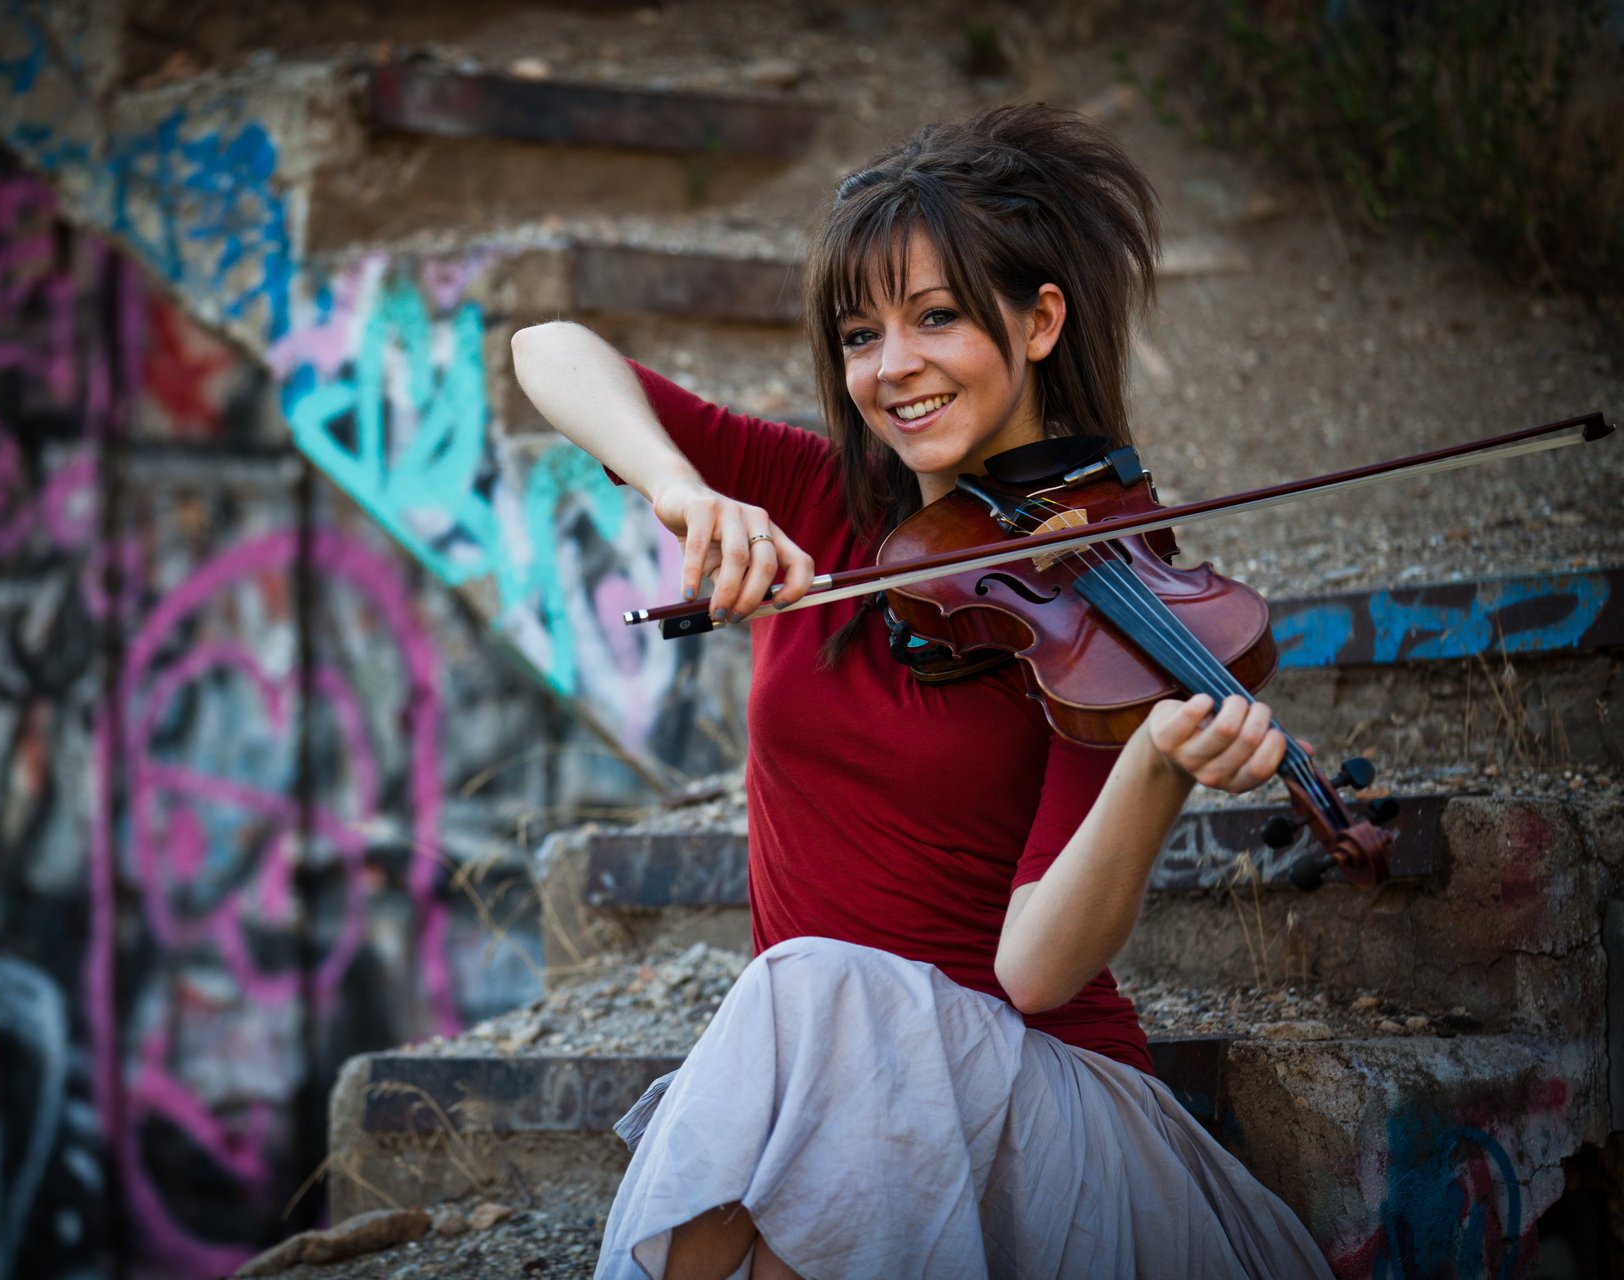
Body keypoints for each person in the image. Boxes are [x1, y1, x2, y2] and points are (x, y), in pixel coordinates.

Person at [512, 103, 1331, 1280]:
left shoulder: (1118, 603)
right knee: (812, 1023)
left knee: (816, 987)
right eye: (859, 334)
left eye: (935, 317)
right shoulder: (824, 494)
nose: (890, 369)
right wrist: (684, 491)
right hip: (827, 1081)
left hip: (1033, 1109)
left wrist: (1155, 762)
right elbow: (547, 346)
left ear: (1040, 319)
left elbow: (1037, 972)